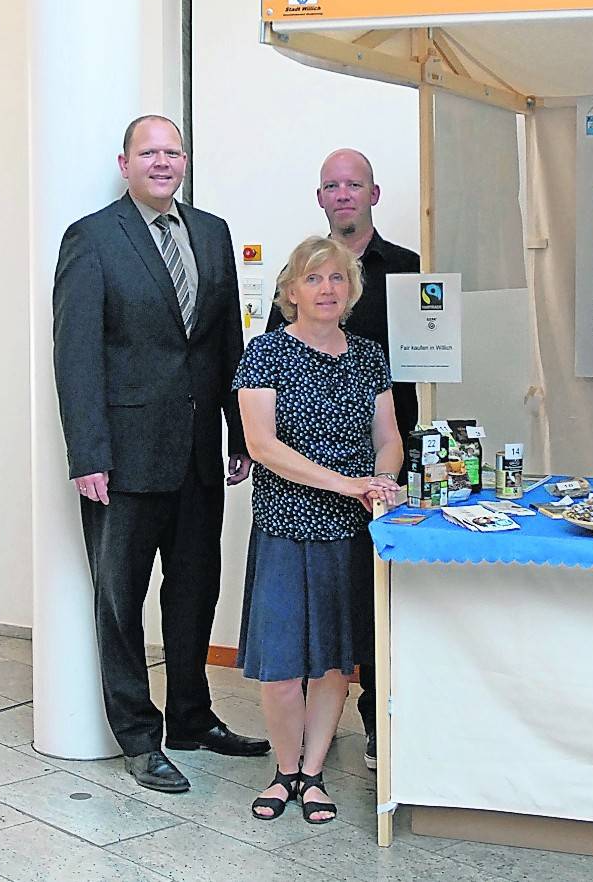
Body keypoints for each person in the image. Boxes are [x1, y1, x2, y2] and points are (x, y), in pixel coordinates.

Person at [52, 115, 270, 794]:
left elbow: (223, 343)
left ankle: (191, 717)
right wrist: (88, 452)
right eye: (149, 152)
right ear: (125, 163)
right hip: (122, 459)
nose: (162, 162)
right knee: (120, 601)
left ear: (184, 161)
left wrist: (240, 433)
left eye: (172, 152)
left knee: (195, 592)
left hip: (200, 453)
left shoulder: (211, 232)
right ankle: (140, 739)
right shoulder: (91, 238)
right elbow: (76, 355)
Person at [235, 235, 403, 823]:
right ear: (290, 291)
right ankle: (283, 771)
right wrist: (347, 483)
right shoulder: (264, 354)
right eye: (313, 279)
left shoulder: (368, 356)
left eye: (336, 278)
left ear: (351, 289)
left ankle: (313, 773)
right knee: (282, 666)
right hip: (285, 524)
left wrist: (380, 480)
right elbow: (262, 446)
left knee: (335, 663)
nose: (326, 289)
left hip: (348, 533)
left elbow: (388, 438)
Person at [265, 147, 418, 769]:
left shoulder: (407, 269)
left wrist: (385, 473)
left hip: (385, 466)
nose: (344, 194)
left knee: (372, 607)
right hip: (304, 493)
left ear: (374, 194)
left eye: (355, 184)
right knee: (305, 632)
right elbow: (262, 433)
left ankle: (377, 725)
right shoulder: (274, 341)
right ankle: (296, 761)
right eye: (332, 185)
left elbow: (425, 357)